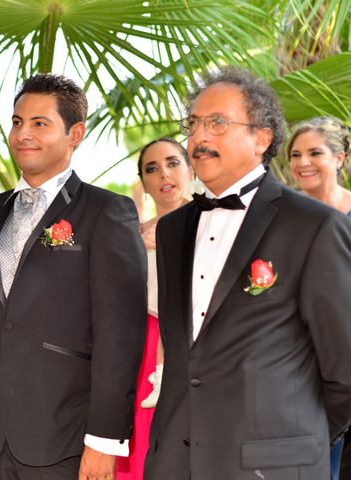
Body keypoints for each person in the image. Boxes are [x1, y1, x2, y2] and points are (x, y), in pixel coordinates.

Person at [144, 67, 351, 479]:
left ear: (262, 138)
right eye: (194, 124)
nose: (198, 138)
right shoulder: (171, 230)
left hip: (273, 465)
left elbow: (344, 367)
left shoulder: (314, 226)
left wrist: (295, 436)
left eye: (217, 123)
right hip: (176, 462)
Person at [0, 73, 148, 480]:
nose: (23, 134)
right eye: (17, 122)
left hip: (68, 439)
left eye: (40, 124)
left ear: (75, 133)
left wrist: (103, 440)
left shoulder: (106, 212)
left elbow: (120, 335)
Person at [116, 138, 193, 480]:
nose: (164, 173)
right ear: (144, 182)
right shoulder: (131, 234)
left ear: (191, 169)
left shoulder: (214, 223)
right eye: (152, 168)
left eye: (173, 163)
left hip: (192, 346)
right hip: (141, 348)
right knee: (141, 445)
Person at [287, 116, 351, 480]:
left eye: (315, 152)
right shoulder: (284, 216)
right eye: (296, 154)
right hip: (308, 363)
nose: (302, 162)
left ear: (339, 158)